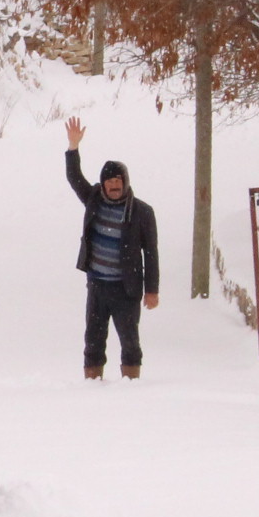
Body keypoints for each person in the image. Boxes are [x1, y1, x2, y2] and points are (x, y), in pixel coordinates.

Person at [64, 116, 158, 379]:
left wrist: (152, 290)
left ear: (125, 182)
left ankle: (132, 380)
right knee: (93, 338)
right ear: (103, 184)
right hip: (97, 285)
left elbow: (151, 254)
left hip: (125, 287)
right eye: (110, 181)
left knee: (130, 340)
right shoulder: (94, 199)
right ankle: (92, 380)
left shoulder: (142, 212)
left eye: (119, 180)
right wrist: (73, 147)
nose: (114, 185)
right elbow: (74, 177)